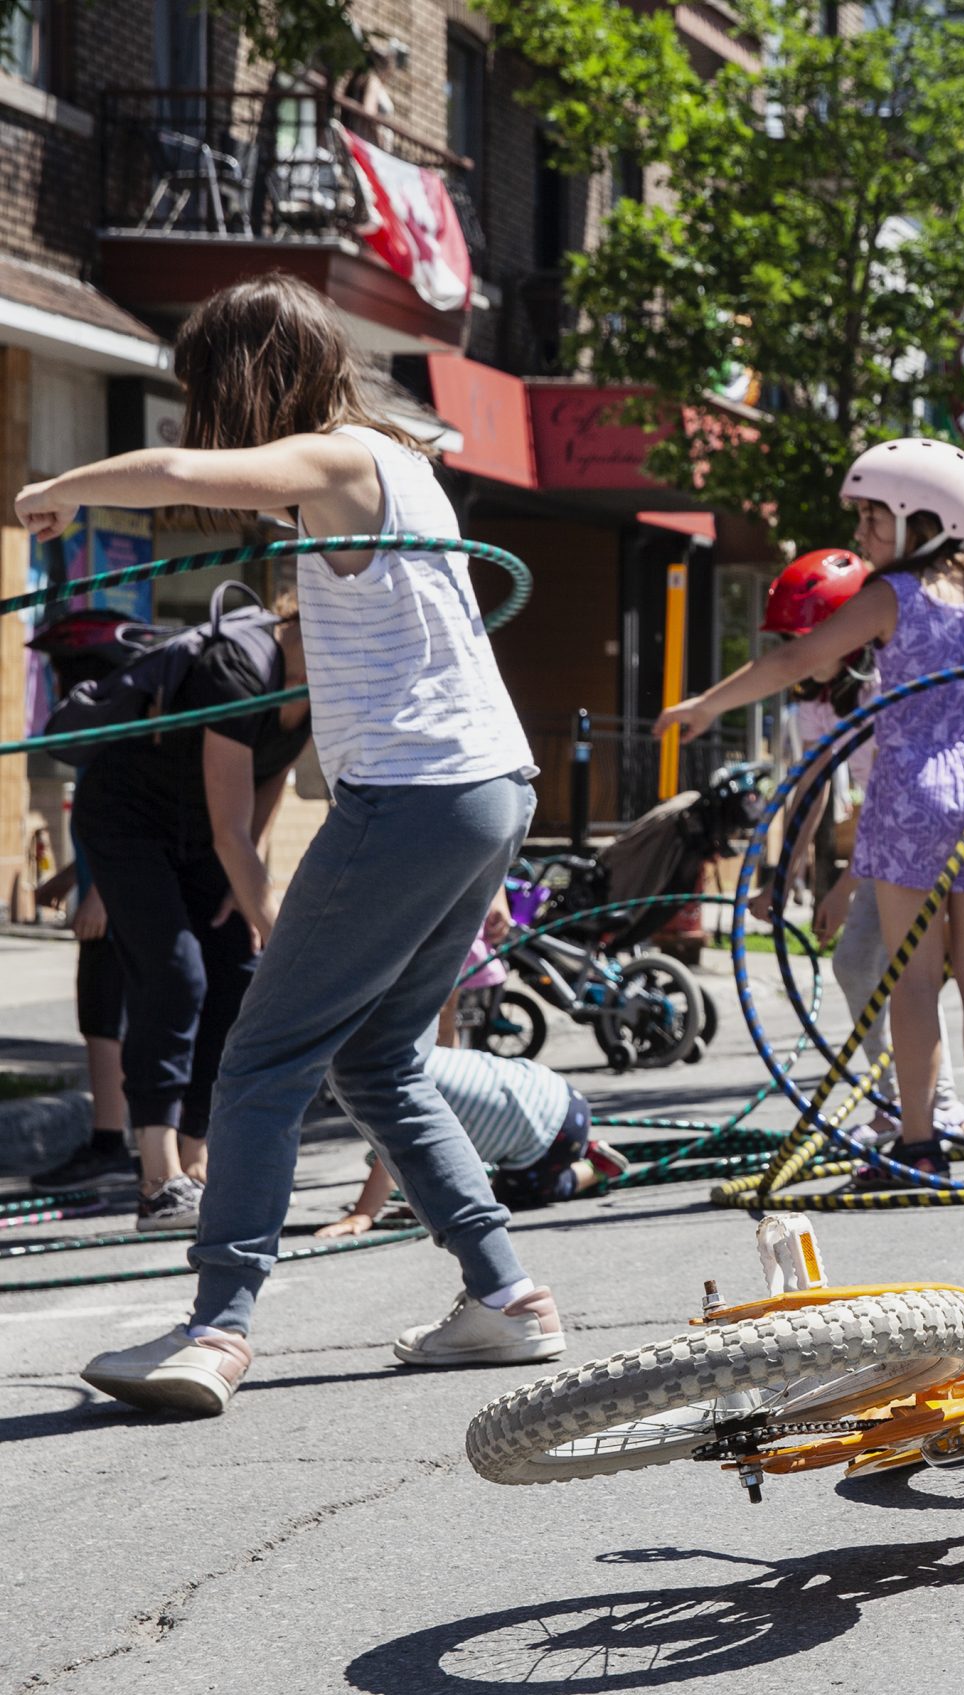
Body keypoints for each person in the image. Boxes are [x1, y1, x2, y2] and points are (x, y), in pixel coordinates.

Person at [32, 273, 557, 1418]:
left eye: (200, 393)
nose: (194, 421)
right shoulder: (400, 461)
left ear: (245, 382)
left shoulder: (334, 460)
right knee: (375, 1062)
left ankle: (216, 1328)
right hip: (486, 791)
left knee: (262, 1061)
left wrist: (58, 490)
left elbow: (176, 476)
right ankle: (505, 1299)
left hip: (414, 797)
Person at [660, 439, 964, 1183]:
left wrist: (707, 704)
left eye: (870, 518)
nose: (859, 534)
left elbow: (796, 661)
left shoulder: (890, 596)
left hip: (911, 792)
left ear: (919, 520)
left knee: (912, 977)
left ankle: (917, 1142)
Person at [67, 590, 310, 1232]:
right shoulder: (237, 667)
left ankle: (196, 1154)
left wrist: (248, 877)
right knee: (175, 975)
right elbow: (228, 823)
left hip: (204, 831)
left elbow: (273, 773)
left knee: (237, 971)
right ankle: (156, 1178)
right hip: (129, 821)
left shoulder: (326, 681)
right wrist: (276, 923)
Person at [758, 549, 964, 1149]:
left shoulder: (887, 685)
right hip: (890, 837)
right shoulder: (817, 702)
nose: (804, 652)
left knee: (900, 967)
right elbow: (813, 791)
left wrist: (847, 884)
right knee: (864, 965)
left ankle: (939, 1105)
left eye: (811, 637)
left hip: (930, 826)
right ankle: (895, 1100)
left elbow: (894, 798)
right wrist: (783, 875)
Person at [316, 1048, 622, 1237]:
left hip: (554, 1129)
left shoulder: (381, 1083)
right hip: (554, 1090)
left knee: (513, 1195)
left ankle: (593, 1168)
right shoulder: (403, 1051)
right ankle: (569, 1155)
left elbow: (393, 1152)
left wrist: (363, 1213)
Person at [27, 859, 131, 1189]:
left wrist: (102, 896)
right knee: (106, 1022)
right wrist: (70, 877)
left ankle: (110, 1145)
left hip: (119, 913)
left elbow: (129, 822)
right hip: (117, 900)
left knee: (104, 1023)